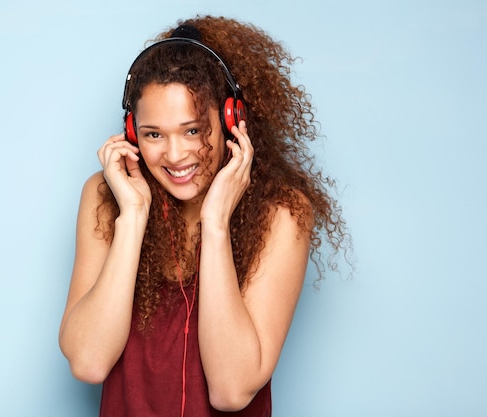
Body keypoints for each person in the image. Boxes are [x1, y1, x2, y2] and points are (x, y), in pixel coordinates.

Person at [59, 15, 349, 417]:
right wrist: (134, 215)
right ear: (131, 132)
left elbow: (231, 391)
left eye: (193, 130)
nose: (174, 155)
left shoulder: (282, 212)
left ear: (230, 121)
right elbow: (88, 362)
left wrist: (216, 224)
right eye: (154, 134)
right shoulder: (106, 197)